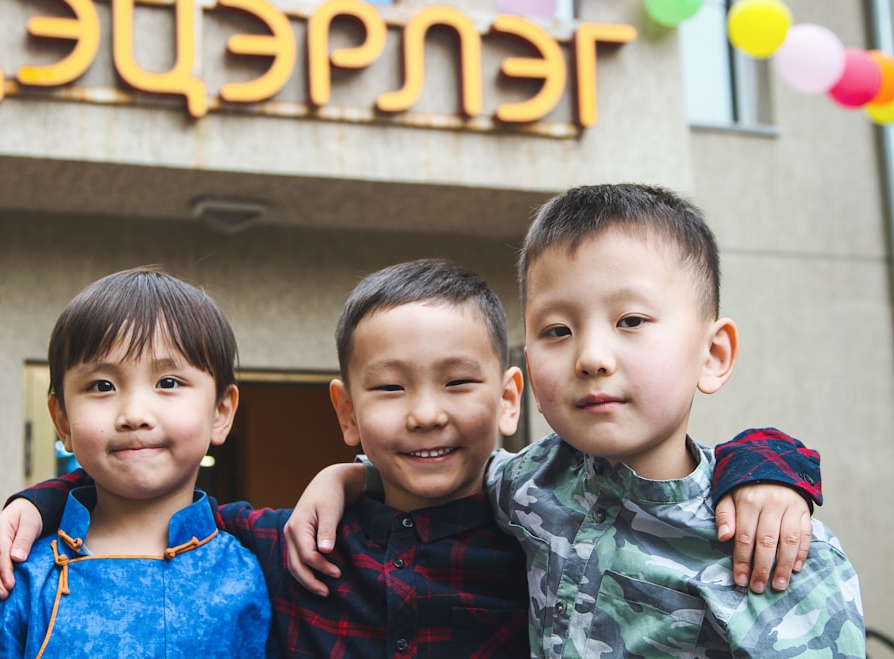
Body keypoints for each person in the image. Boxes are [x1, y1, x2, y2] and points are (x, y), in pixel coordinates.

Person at [0, 260, 819, 657]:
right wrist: (40, 501)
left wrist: (765, 464)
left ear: (508, 396)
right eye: (387, 389)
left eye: (458, 381)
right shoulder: (281, 545)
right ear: (345, 409)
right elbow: (140, 497)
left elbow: (647, 466)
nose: (423, 412)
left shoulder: (540, 519)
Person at [288, 185, 865, 657]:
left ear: (712, 355)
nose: (591, 356)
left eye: (631, 320)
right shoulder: (529, 483)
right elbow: (448, 462)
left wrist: (773, 466)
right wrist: (348, 476)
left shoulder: (773, 543)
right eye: (557, 330)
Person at [0, 268, 272, 658]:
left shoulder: (253, 574)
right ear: (62, 420)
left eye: (169, 383)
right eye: (102, 386)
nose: (134, 414)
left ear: (221, 412)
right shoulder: (22, 574)